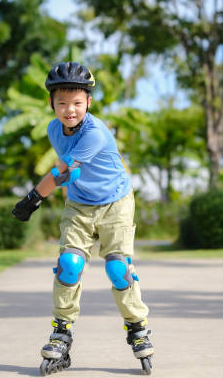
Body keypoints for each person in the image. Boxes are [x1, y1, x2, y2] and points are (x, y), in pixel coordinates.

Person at [12, 61, 154, 375]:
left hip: (115, 203)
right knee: (69, 265)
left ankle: (137, 326)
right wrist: (59, 194)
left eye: (77, 102)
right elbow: (69, 174)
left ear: (88, 102)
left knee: (118, 267)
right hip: (79, 206)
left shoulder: (96, 133)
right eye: (61, 103)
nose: (69, 110)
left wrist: (33, 198)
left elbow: (63, 170)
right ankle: (61, 331)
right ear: (52, 103)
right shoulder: (53, 130)